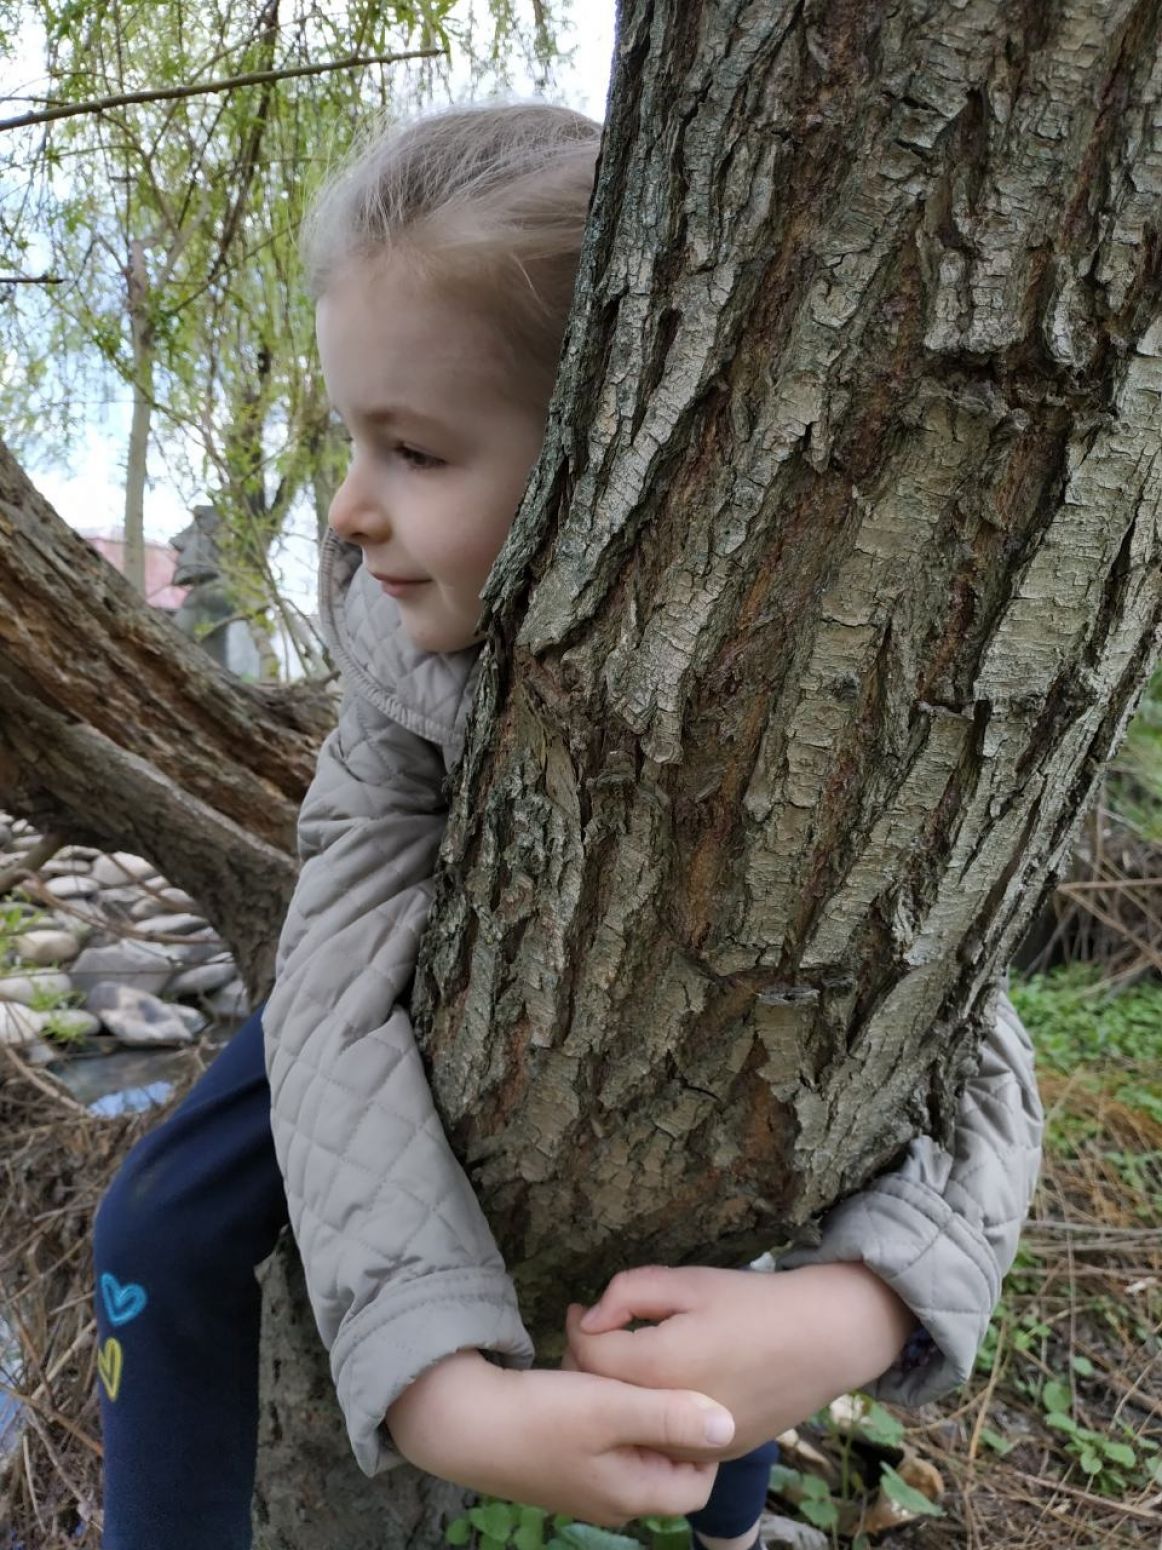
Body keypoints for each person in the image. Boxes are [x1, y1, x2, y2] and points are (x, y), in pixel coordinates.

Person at [93, 101, 1044, 1550]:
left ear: (627, 461)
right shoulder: (397, 690)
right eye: (353, 440)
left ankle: (726, 1506)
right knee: (154, 1226)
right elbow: (336, 992)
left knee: (716, 1198)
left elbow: (964, 1012)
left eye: (411, 449)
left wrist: (860, 1303)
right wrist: (438, 1388)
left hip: (705, 1033)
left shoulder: (843, 696)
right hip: (413, 989)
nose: (346, 510)